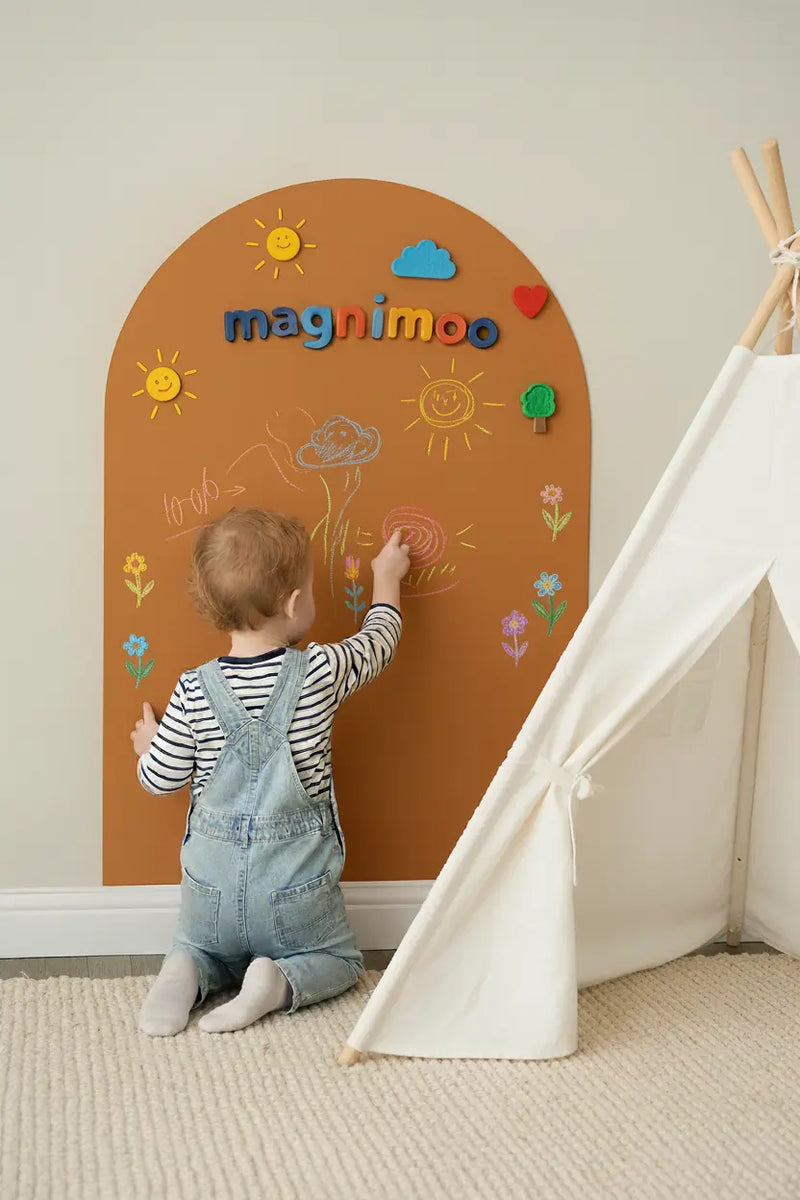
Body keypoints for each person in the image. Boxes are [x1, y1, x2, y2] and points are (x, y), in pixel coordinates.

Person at [130, 508, 409, 1036]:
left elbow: (159, 779)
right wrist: (386, 577)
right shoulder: (322, 670)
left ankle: (185, 967)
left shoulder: (193, 689)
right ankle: (276, 980)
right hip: (295, 893)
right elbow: (380, 641)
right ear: (294, 602)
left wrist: (149, 746)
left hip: (209, 896)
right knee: (341, 962)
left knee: (198, 944)